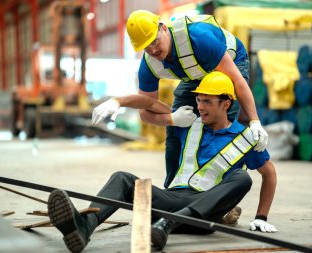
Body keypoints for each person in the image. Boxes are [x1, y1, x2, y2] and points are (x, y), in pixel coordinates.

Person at [48, 71, 277, 253]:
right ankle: (84, 225)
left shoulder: (247, 138)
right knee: (122, 179)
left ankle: (168, 224)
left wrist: (261, 216)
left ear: (226, 104)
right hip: (172, 200)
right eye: (198, 100)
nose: (200, 106)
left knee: (242, 177)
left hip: (203, 214)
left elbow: (269, 174)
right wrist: (117, 102)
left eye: (207, 101)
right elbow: (147, 102)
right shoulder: (189, 122)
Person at [92, 10, 269, 189]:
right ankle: (174, 189)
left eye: (154, 41)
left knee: (219, 128)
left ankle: (220, 199)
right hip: (196, 73)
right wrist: (172, 119)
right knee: (176, 132)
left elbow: (237, 80)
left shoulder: (199, 39)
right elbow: (147, 109)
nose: (153, 50)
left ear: (163, 29)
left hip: (230, 62)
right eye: (146, 46)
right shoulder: (149, 64)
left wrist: (254, 120)